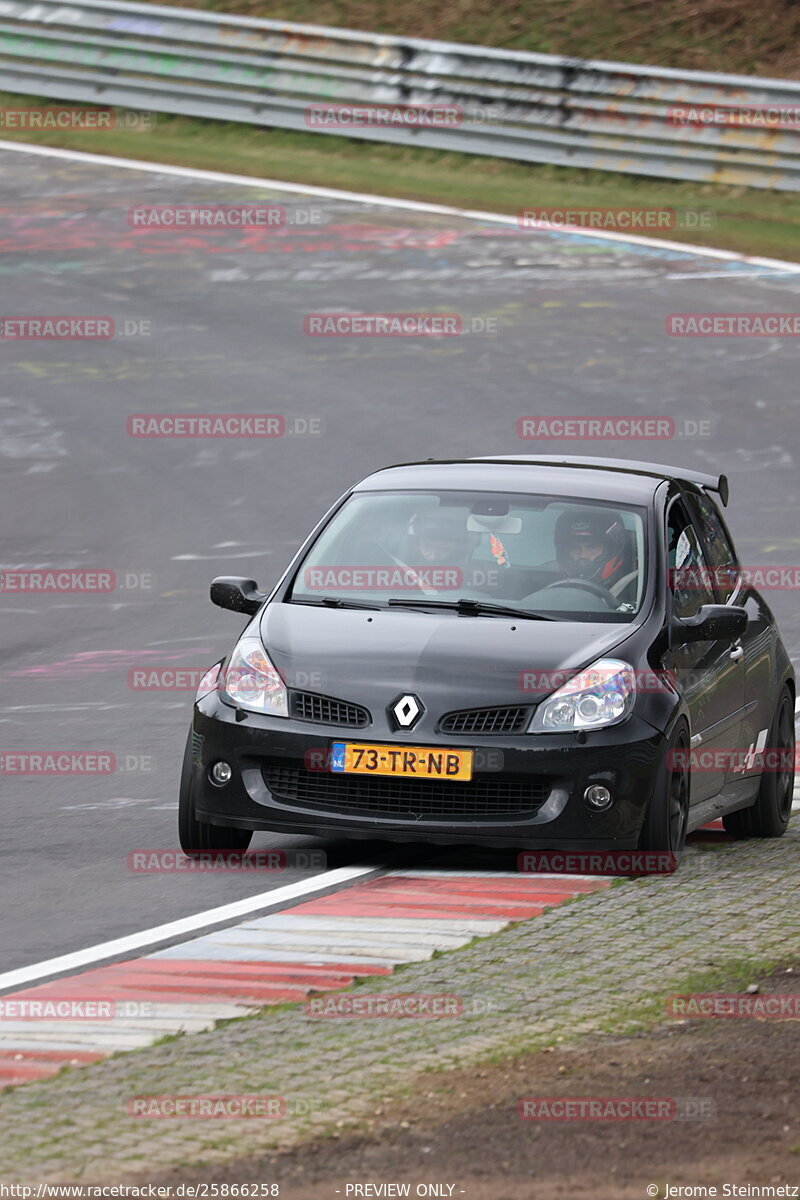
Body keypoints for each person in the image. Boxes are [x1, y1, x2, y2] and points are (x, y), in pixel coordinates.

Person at [553, 508, 629, 591]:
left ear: (611, 551)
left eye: (592, 547)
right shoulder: (546, 584)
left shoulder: (636, 590)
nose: (583, 555)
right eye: (574, 548)